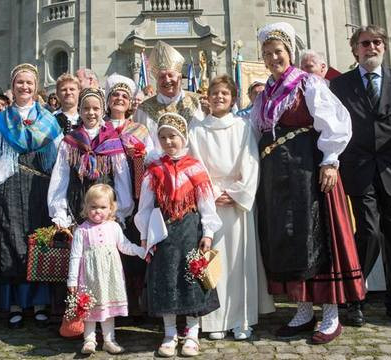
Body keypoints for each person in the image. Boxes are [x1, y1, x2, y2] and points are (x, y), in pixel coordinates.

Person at [253, 22, 365, 344]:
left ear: (290, 53)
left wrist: (330, 161)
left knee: (318, 237)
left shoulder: (308, 84)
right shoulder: (266, 94)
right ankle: (303, 310)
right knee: (290, 238)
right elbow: (255, 133)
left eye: (278, 52)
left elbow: (336, 124)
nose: (274, 57)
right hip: (278, 175)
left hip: (309, 170)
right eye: (268, 53)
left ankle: (330, 314)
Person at [330, 25, 391, 329]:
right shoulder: (340, 85)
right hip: (358, 170)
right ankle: (354, 298)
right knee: (368, 232)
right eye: (364, 43)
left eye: (376, 42)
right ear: (355, 49)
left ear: (383, 47)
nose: (371, 47)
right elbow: (333, 126)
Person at [189, 75, 274, 341]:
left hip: (237, 203)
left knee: (239, 260)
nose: (219, 97)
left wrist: (236, 193)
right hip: (210, 202)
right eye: (215, 93)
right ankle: (215, 320)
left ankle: (241, 318)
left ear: (233, 98)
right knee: (213, 261)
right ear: (208, 98)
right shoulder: (197, 129)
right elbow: (195, 164)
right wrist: (211, 193)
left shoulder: (242, 126)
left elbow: (251, 163)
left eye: (225, 93)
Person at [135, 113, 221, 357]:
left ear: (183, 137)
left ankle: (192, 334)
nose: (168, 141)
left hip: (190, 230)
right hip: (164, 233)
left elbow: (206, 203)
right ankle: (170, 333)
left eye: (172, 136)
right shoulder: (153, 171)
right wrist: (144, 235)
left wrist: (209, 233)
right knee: (166, 280)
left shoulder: (194, 167)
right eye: (162, 137)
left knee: (191, 279)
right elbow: (145, 206)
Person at [0, 63, 63, 328]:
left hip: (39, 187)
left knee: (38, 239)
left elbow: (60, 158)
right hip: (9, 185)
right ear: (12, 86)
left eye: (29, 82)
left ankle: (40, 302)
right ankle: (16, 304)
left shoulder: (49, 120)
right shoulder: (0, 121)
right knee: (11, 241)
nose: (25, 87)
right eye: (20, 82)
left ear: (36, 86)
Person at [66, 184, 145, 355]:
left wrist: (140, 251)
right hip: (89, 277)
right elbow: (75, 256)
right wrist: (72, 280)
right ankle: (89, 339)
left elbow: (124, 246)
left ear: (111, 209)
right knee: (88, 308)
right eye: (93, 207)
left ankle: (109, 340)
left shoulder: (114, 227)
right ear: (86, 208)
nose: (97, 211)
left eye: (103, 207)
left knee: (108, 309)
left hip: (110, 276)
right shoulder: (82, 231)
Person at [103, 73, 154, 316]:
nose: (119, 99)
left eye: (124, 96)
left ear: (130, 102)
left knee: (133, 252)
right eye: (115, 95)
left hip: (134, 199)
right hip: (105, 198)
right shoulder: (99, 129)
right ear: (108, 100)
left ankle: (134, 305)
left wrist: (140, 155)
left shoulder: (140, 129)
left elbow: (152, 160)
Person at [48, 87, 133, 229]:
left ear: (103, 111)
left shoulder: (112, 140)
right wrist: (60, 212)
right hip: (76, 207)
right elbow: (61, 177)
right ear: (79, 111)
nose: (91, 113)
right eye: (86, 108)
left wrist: (120, 213)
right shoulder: (70, 141)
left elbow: (121, 179)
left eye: (96, 108)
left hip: (106, 211)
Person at [134, 41, 204, 146]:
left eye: (171, 75)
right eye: (162, 77)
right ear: (157, 80)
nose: (167, 80)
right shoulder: (143, 109)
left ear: (180, 77)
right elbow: (140, 144)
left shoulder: (198, 102)